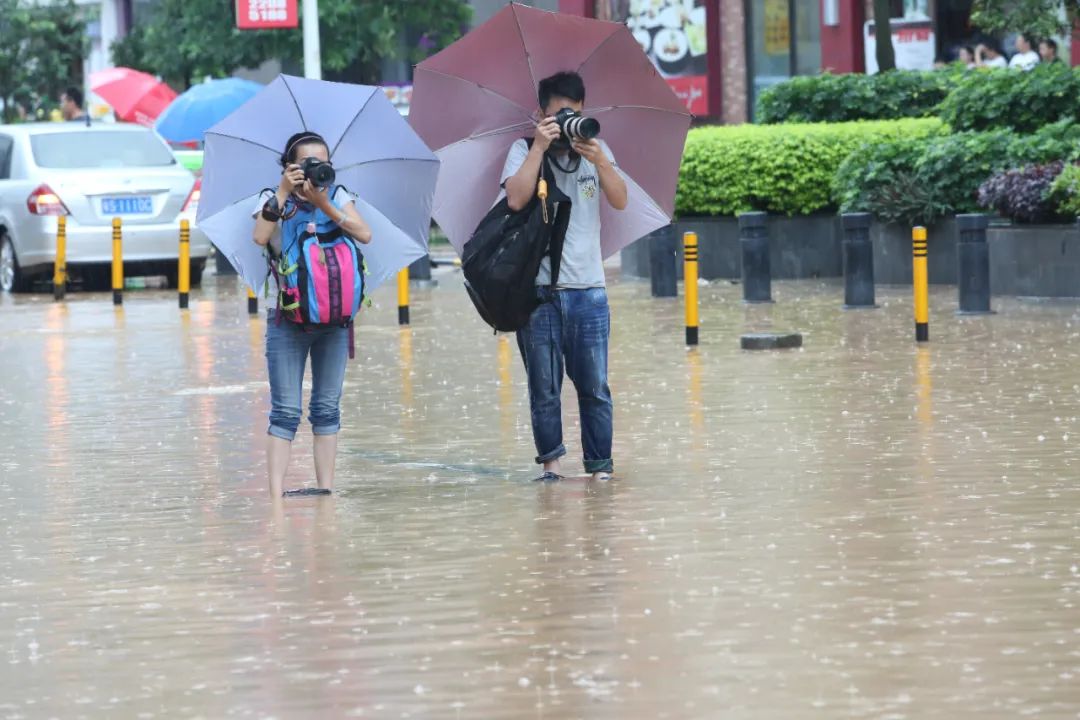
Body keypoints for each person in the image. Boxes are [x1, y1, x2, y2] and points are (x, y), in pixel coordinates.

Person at [500, 71, 628, 483]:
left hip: (590, 291)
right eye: (558, 115)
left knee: (595, 388)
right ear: (541, 114)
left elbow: (620, 200)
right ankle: (551, 469)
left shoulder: (596, 150)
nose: (567, 122)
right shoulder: (523, 150)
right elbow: (516, 198)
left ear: (583, 109)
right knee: (544, 388)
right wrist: (539, 146)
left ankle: (600, 470)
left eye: (573, 113)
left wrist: (600, 159)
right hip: (540, 292)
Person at [252, 132, 373, 498]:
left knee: (326, 409)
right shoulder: (272, 199)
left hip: (335, 320)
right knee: (285, 412)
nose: (316, 169)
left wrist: (325, 203)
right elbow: (260, 236)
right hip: (288, 321)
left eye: (323, 163)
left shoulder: (338, 195)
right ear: (289, 167)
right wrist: (283, 191)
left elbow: (364, 234)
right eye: (307, 164)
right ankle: (276, 499)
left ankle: (325, 494)